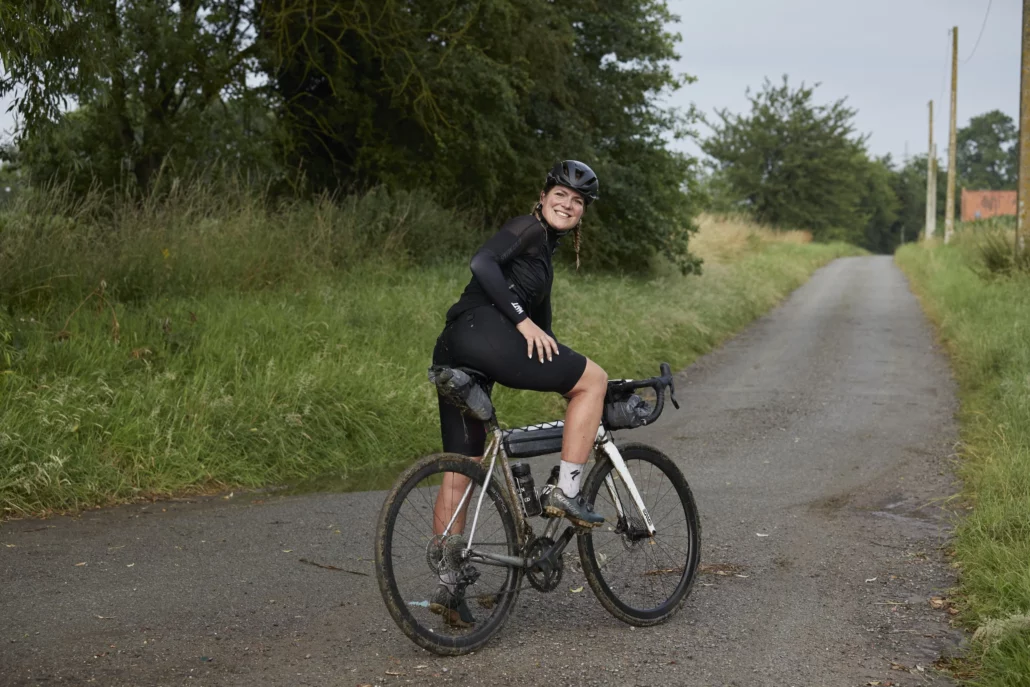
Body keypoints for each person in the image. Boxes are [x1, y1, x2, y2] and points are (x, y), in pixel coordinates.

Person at [428, 160, 608, 623]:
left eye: (577, 200)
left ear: (582, 214)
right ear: (543, 197)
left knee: (462, 469)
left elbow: (548, 340)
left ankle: (449, 585)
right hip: (484, 334)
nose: (567, 204)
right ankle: (566, 492)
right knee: (595, 381)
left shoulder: (541, 259)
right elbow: (481, 262)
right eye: (560, 194)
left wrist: (567, 390)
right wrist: (521, 321)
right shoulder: (527, 229)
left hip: (452, 347)